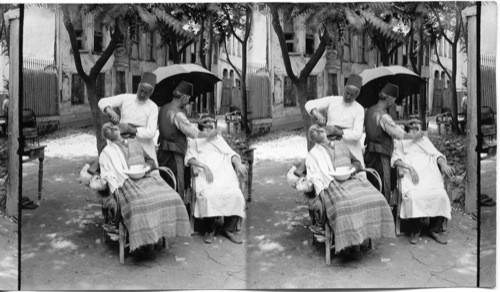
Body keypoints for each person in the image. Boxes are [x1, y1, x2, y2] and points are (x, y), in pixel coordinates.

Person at [301, 124, 395, 254]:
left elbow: (357, 163)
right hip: (332, 184)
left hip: (351, 179)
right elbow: (306, 173)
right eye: (326, 138)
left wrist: (352, 169)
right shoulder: (313, 154)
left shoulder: (342, 147)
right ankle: (350, 242)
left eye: (331, 137)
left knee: (375, 197)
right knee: (344, 205)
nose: (331, 140)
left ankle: (363, 235)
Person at [98, 122, 191, 252]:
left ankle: (158, 233)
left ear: (120, 132)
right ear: (107, 137)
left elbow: (151, 161)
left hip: (145, 178)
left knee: (171, 197)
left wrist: (147, 167)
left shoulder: (135, 144)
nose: (111, 129)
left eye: (112, 127)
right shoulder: (107, 152)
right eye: (107, 129)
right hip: (126, 183)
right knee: (138, 204)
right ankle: (144, 238)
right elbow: (104, 172)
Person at [185, 116, 247, 244]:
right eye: (207, 126)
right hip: (205, 174)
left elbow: (231, 153)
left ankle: (228, 229)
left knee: (236, 194)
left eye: (212, 126)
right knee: (209, 195)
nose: (211, 129)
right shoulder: (194, 140)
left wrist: (238, 163)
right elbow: (189, 158)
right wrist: (203, 166)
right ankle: (210, 229)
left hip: (223, 173)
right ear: (202, 128)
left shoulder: (218, 139)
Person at [391, 118, 454, 244]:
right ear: (407, 127)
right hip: (411, 176)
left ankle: (434, 229)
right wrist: (409, 167)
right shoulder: (400, 141)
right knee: (414, 196)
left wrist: (443, 164)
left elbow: (436, 154)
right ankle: (415, 230)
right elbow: (395, 159)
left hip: (429, 175)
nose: (415, 126)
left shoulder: (424, 140)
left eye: (417, 124)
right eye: (412, 123)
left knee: (441, 196)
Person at [157, 81, 217, 204]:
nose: (188, 102)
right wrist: (208, 134)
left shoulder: (164, 108)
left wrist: (197, 122)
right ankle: (178, 213)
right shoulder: (178, 114)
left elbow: (177, 124)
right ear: (183, 97)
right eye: (188, 98)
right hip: (174, 154)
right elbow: (192, 132)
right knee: (177, 185)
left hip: (162, 152)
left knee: (165, 183)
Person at [364, 83, 424, 204]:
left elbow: (387, 125)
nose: (394, 103)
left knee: (372, 184)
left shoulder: (371, 110)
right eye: (394, 100)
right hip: (380, 156)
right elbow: (398, 134)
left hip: (369, 154)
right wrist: (414, 136)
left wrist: (404, 123)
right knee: (384, 187)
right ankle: (384, 214)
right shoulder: (384, 116)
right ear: (390, 99)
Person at [98, 72, 159, 166]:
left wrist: (132, 130)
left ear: (151, 93)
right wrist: (110, 111)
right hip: (124, 144)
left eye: (146, 93)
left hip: (143, 146)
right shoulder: (126, 98)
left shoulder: (153, 107)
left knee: (144, 171)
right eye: (141, 90)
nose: (142, 94)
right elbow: (102, 101)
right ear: (138, 87)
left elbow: (151, 132)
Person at [305, 74, 366, 168]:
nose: (348, 97)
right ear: (344, 89)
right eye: (347, 92)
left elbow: (358, 134)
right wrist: (317, 113)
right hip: (331, 146)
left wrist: (339, 132)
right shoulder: (333, 100)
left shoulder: (359, 109)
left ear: (357, 95)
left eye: (352, 95)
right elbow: (309, 104)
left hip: (350, 148)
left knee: (352, 173)